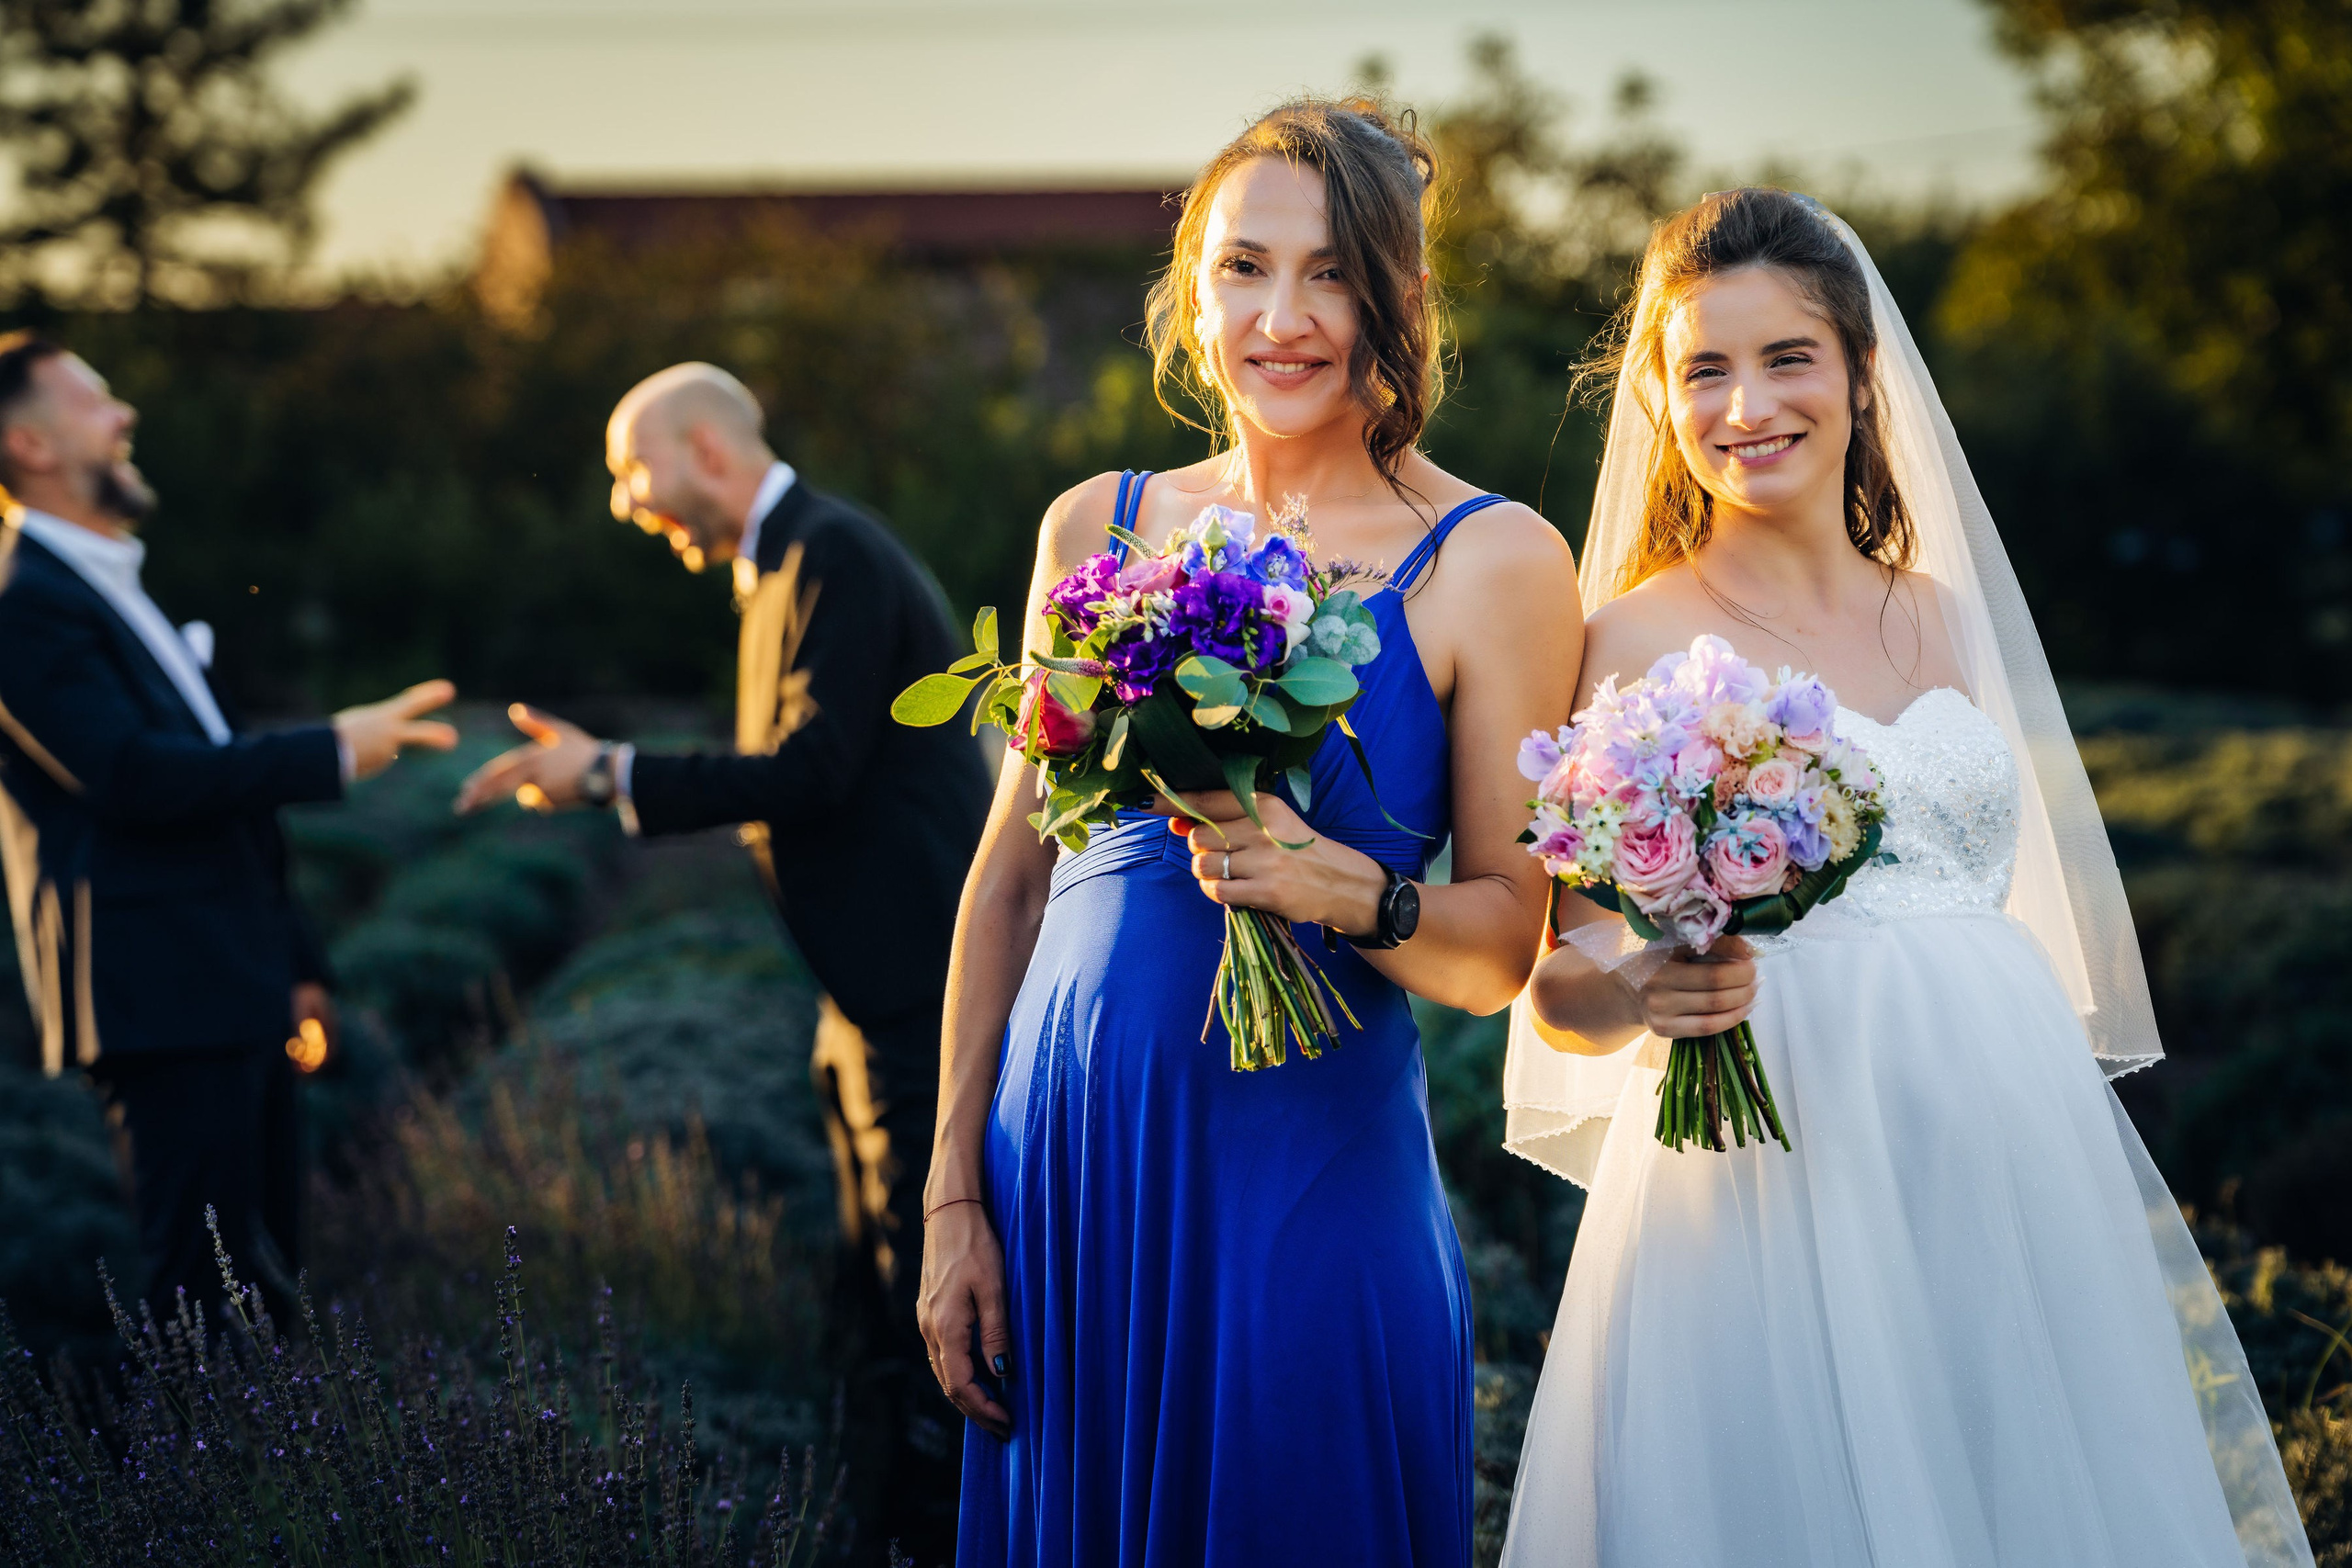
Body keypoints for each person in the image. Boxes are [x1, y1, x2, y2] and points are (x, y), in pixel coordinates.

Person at [1498, 189, 2313, 1568]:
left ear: (1864, 376)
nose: (1747, 403)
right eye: (1704, 368)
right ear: (1663, 397)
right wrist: (1646, 980)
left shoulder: (1944, 610)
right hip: (1763, 1175)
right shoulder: (1629, 632)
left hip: (1997, 1148)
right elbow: (1556, 985)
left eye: (1787, 357)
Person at [924, 98, 1579, 1566]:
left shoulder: (1494, 560)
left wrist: (1354, 891)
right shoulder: (1097, 524)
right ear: (1189, 290)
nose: (1282, 318)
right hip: (1070, 1164)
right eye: (1243, 268)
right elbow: (1011, 883)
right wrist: (956, 1190)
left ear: (1401, 298)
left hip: (1309, 1175)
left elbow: (1503, 953)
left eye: (1334, 272)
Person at [454, 361, 989, 1564]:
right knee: (871, 1288)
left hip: (919, 992)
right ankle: (883, 1515)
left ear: (704, 450)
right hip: (862, 993)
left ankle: (943, 1532)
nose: (621, 501)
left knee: (927, 1304)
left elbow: (811, 769)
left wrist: (610, 772)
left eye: (629, 470)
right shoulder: (783, 562)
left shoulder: (831, 552)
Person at [0, 331, 457, 1321]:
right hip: (160, 994)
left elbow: (219, 794)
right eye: (92, 400)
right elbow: (131, 777)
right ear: (29, 445)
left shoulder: (108, 585)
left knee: (266, 1294)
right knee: (202, 1313)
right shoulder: (21, 601)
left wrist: (297, 967)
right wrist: (331, 748)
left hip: (229, 981)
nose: (122, 416)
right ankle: (187, 1485)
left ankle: (249, 1477)